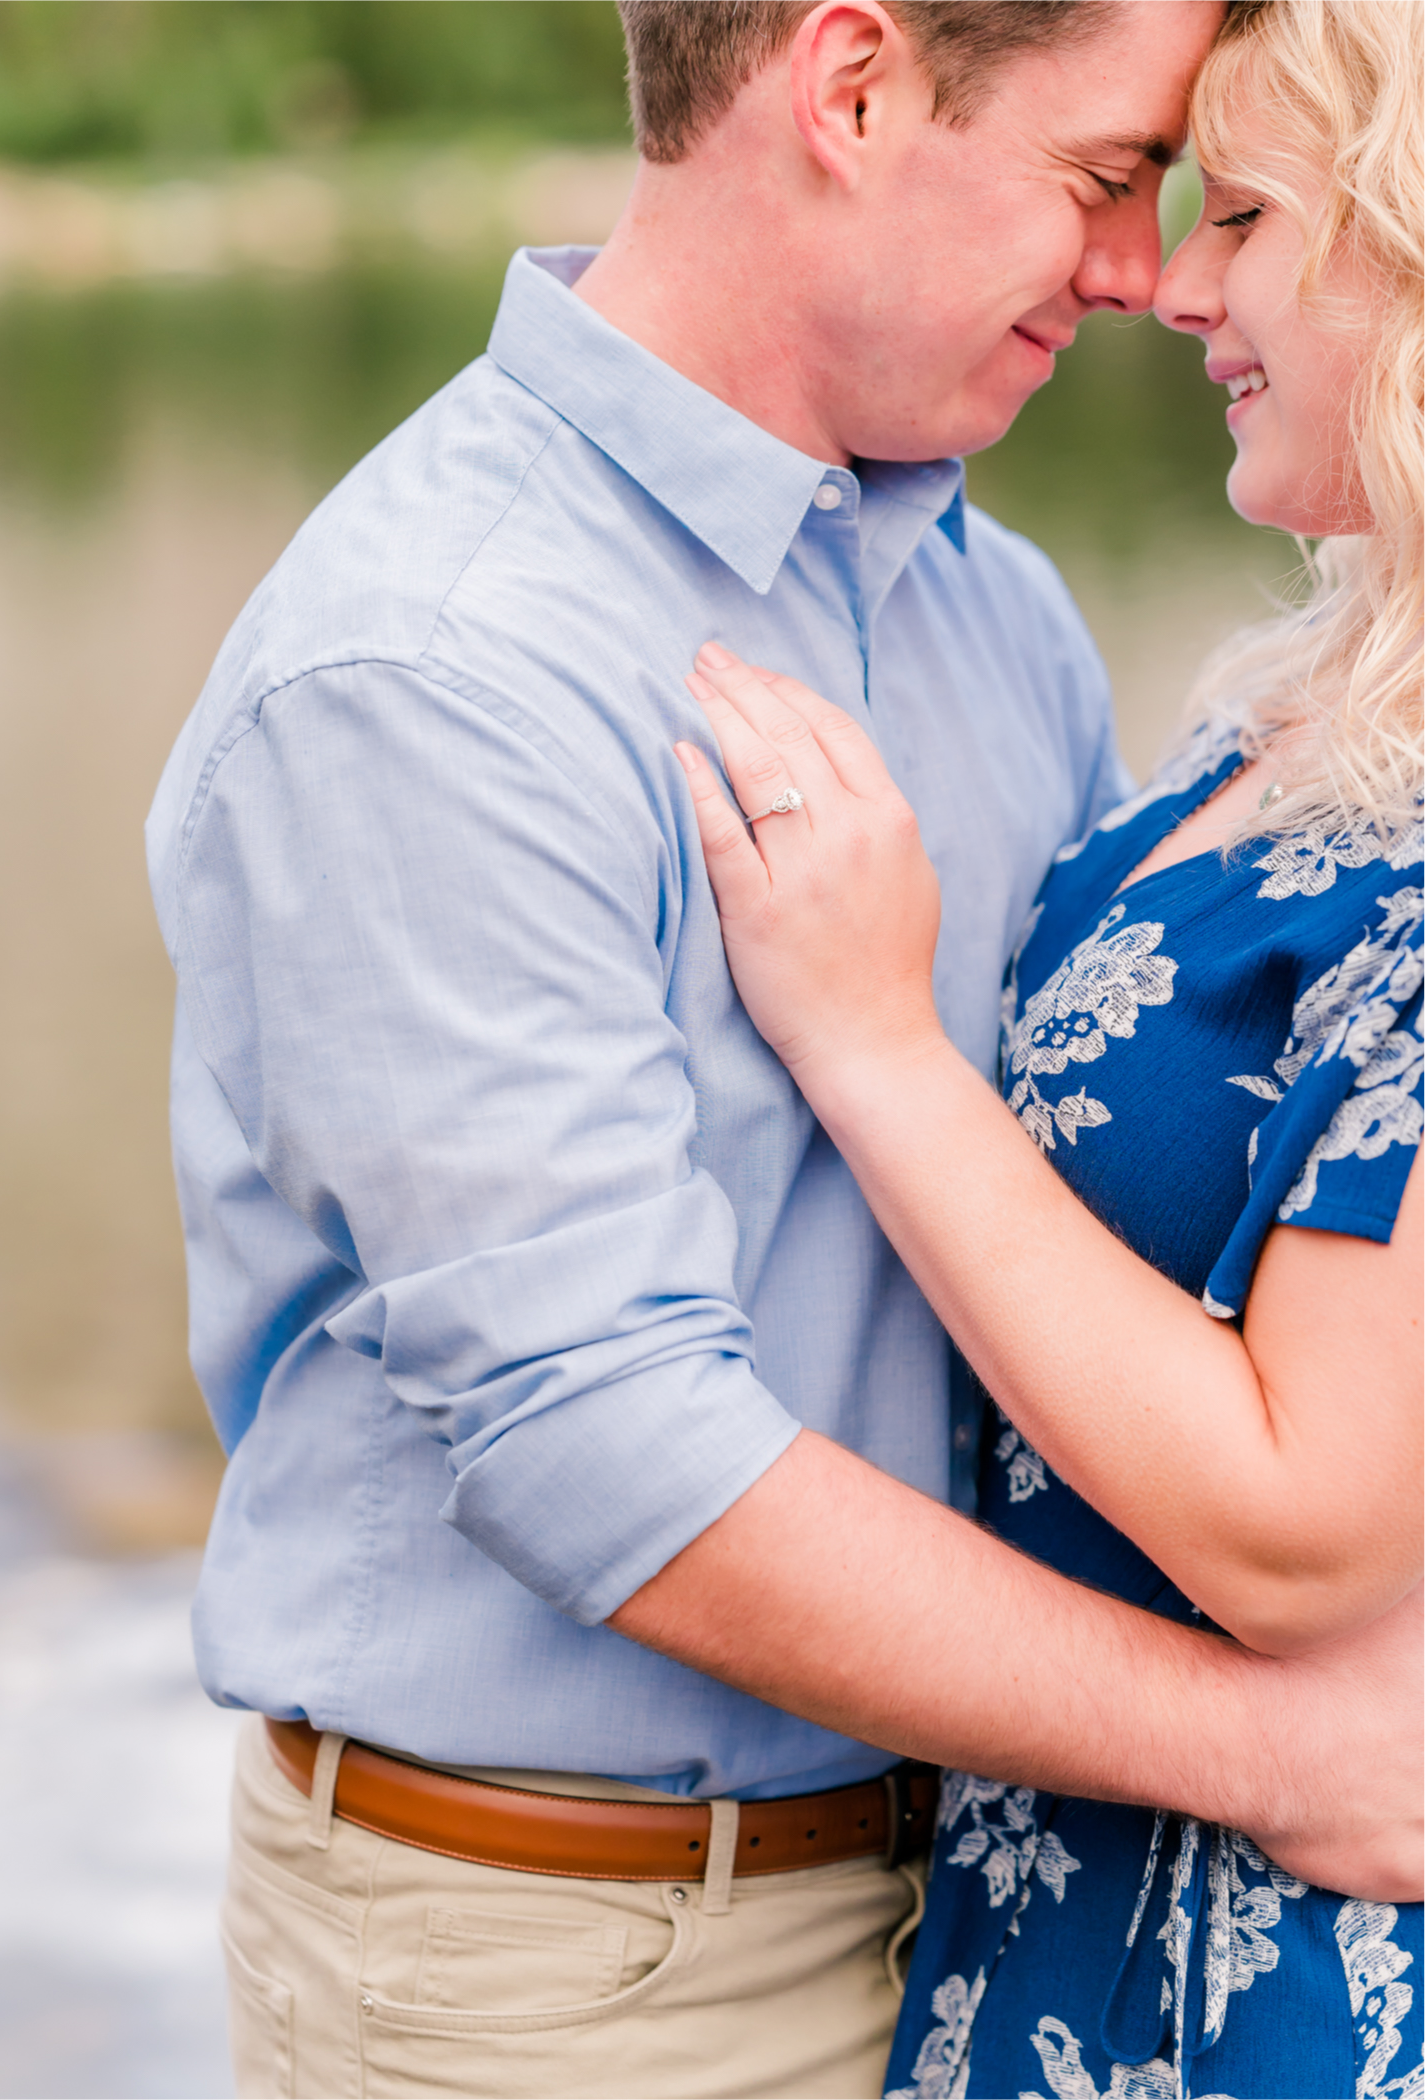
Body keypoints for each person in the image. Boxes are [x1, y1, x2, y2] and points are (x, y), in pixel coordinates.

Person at [145, 3, 1420, 2095]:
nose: (1141, 274)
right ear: (847, 92)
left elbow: (1145, 1207)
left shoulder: (985, 607)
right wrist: (1278, 1746)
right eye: (1107, 179)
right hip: (582, 1957)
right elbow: (605, 1446)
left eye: (1202, 201)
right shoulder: (438, 665)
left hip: (1007, 1901)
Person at [675, 2, 1423, 2093]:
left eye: (1245, 216)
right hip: (1027, 1911)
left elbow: (1305, 1524)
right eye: (1152, 196)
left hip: (1276, 1973)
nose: (1170, 284)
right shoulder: (1281, 706)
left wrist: (873, 1043)